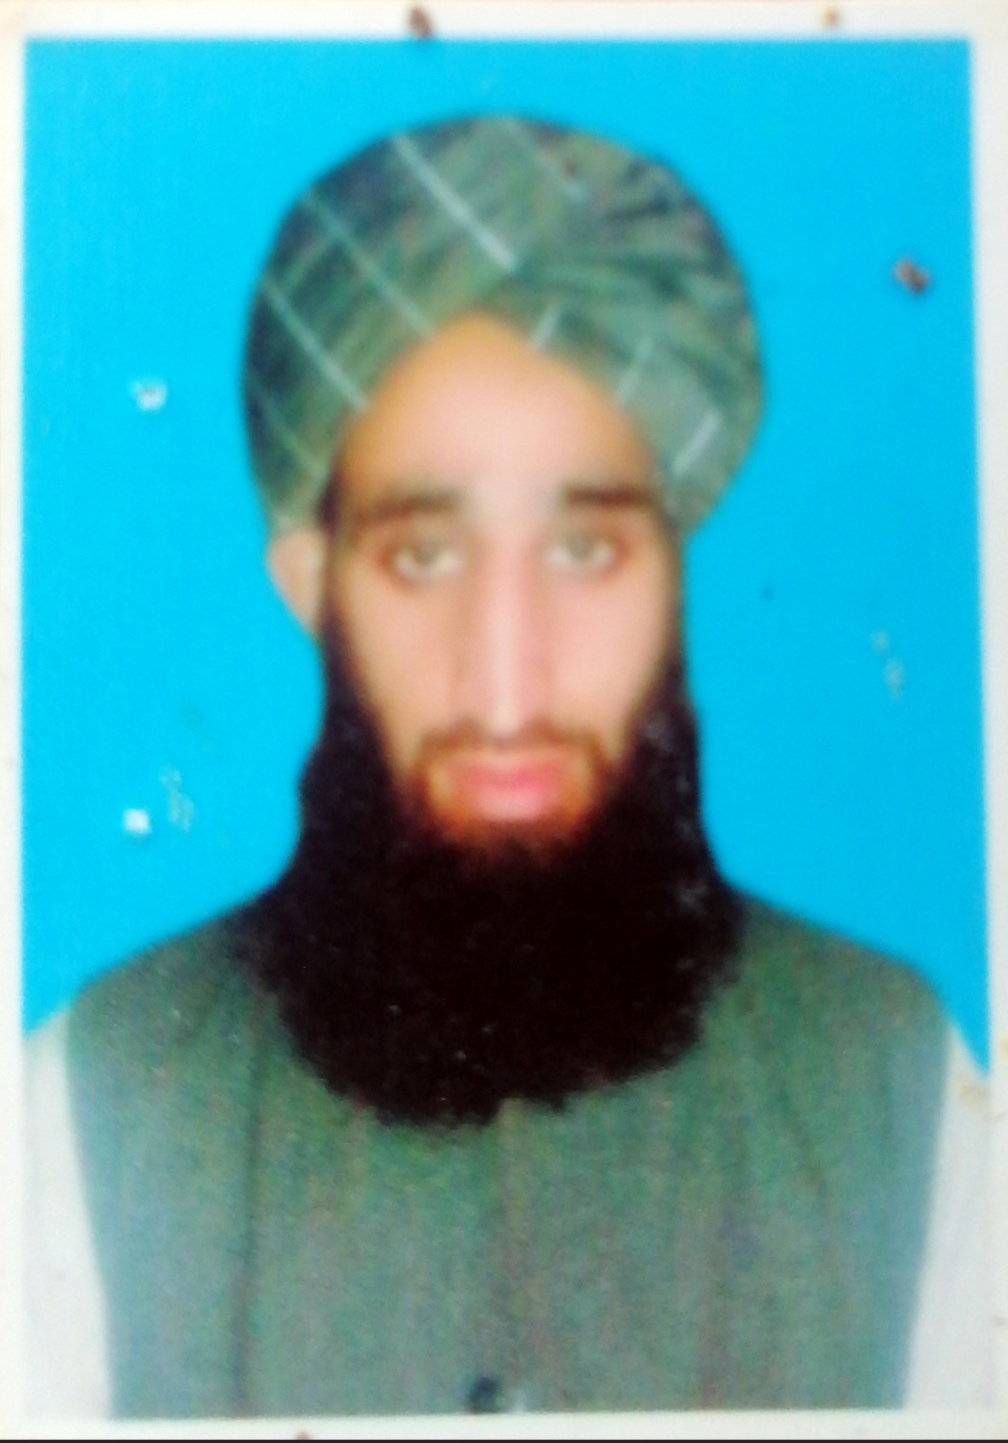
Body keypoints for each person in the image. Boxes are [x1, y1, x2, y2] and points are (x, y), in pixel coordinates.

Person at [24, 116, 991, 1418]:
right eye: (423, 557)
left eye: (585, 552)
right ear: (313, 585)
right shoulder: (91, 1110)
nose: (507, 681)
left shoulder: (903, 1092)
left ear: (672, 577)